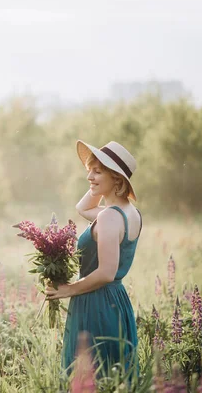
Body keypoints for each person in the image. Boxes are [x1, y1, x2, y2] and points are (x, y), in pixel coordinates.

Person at [45, 140, 142, 381]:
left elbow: (106, 273)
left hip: (96, 302)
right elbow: (82, 207)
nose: (89, 176)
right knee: (113, 375)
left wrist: (68, 290)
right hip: (116, 302)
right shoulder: (129, 213)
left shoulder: (109, 217)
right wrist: (99, 183)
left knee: (92, 376)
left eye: (97, 171)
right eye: (90, 169)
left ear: (117, 180)